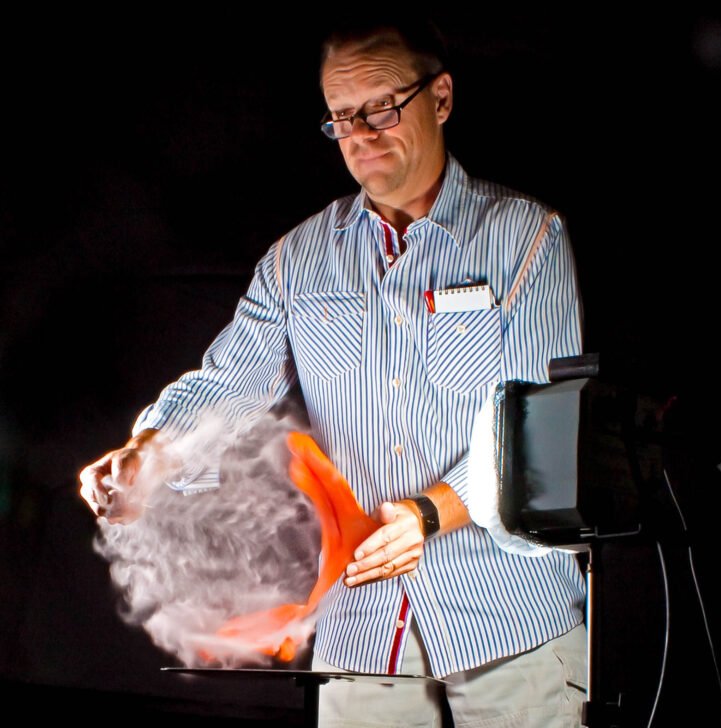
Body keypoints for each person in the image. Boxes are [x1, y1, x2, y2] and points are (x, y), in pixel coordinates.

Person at [80, 19, 587, 727]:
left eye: (382, 106)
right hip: (362, 629)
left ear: (440, 98)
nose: (362, 133)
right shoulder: (296, 261)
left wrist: (430, 513)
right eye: (343, 116)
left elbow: (538, 424)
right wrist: (150, 447)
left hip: (510, 614)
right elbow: (229, 383)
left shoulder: (524, 236)